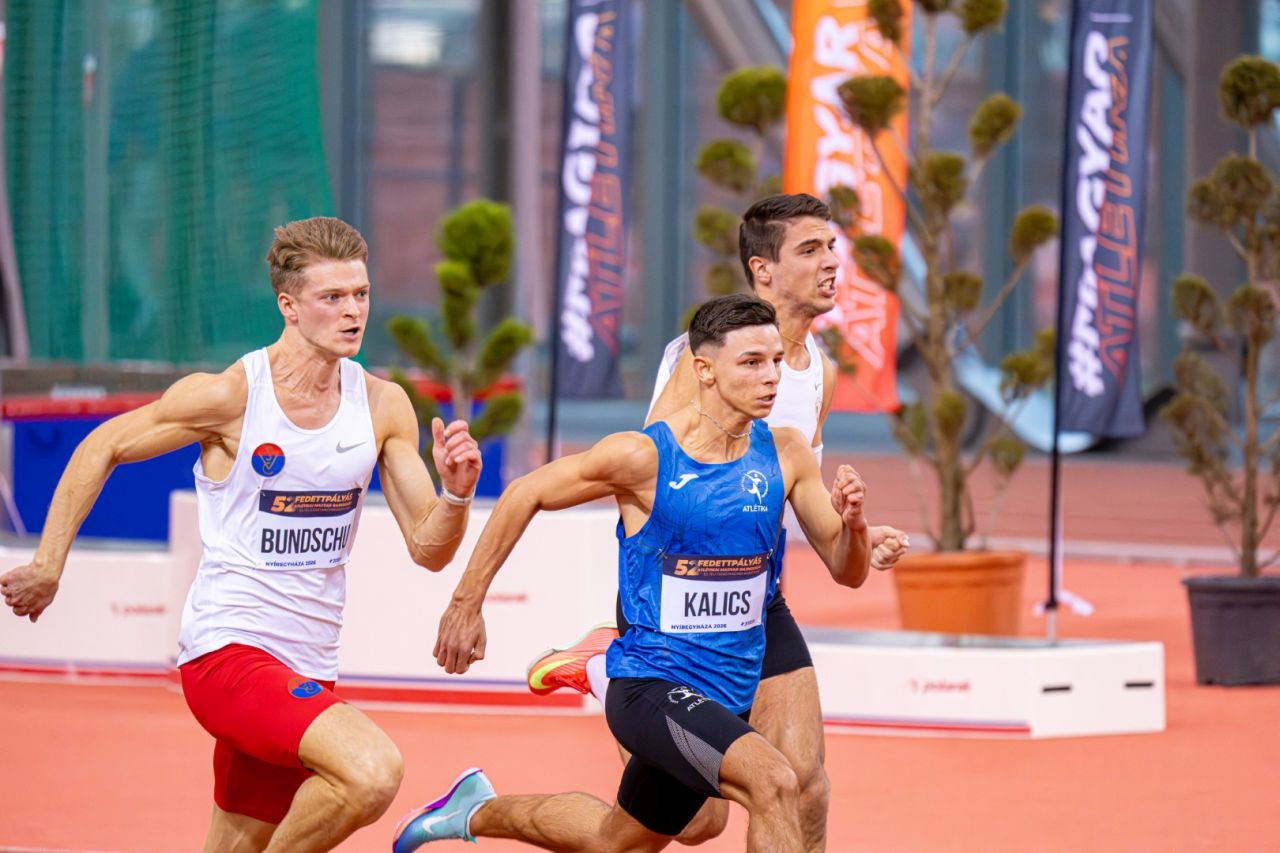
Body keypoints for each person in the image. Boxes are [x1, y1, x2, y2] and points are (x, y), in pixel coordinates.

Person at [0, 217, 482, 853]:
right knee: (372, 772)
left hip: (309, 665)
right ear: (289, 306)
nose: (353, 312)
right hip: (228, 652)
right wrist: (48, 564)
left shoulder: (382, 404)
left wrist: (456, 493)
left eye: (361, 294)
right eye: (333, 297)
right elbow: (103, 445)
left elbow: (429, 548)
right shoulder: (233, 395)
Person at [393, 294, 876, 852]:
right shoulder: (645, 457)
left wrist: (855, 526)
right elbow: (525, 492)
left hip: (729, 690)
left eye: (774, 361)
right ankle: (603, 669)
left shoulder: (786, 454)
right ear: (704, 370)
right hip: (652, 685)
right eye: (751, 363)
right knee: (776, 780)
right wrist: (465, 603)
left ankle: (473, 810)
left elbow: (848, 570)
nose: (771, 377)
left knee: (618, 841)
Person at [527, 193, 909, 849]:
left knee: (804, 785)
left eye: (832, 247)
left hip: (754, 596)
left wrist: (854, 532)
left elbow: (790, 494)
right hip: (672, 602)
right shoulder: (700, 357)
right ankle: (606, 666)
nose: (832, 262)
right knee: (700, 821)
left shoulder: (818, 371)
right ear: (763, 270)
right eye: (811, 249)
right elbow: (654, 477)